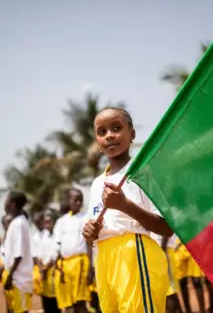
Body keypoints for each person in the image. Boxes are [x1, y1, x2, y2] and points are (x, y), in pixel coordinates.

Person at [83, 107, 173, 312]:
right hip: (104, 259)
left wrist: (125, 206)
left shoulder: (142, 174)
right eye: (102, 131)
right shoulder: (97, 183)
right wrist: (89, 232)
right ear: (97, 141)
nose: (110, 136)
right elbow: (91, 232)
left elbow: (167, 228)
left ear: (131, 134)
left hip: (134, 254)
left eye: (116, 128)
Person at [53, 188, 90, 313]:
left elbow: (89, 243)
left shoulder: (86, 217)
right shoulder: (61, 221)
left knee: (80, 302)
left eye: (81, 200)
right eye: (75, 200)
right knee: (67, 304)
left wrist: (91, 266)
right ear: (69, 201)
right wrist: (56, 266)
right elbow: (57, 246)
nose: (78, 203)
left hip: (79, 263)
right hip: (64, 265)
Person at [3, 191, 33, 313]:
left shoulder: (19, 224)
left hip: (19, 279)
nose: (4, 204)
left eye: (6, 201)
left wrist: (10, 276)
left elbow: (18, 254)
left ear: (13, 205)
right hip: (15, 277)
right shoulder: (15, 222)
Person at [37, 211, 60, 313]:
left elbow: (56, 252)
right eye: (46, 222)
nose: (48, 224)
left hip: (53, 270)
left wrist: (46, 268)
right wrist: (42, 268)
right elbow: (39, 254)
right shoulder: (43, 236)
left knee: (55, 302)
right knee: (45, 300)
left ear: (54, 222)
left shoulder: (57, 235)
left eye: (49, 222)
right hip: (43, 272)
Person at [152, 233, 182, 313]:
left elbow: (165, 234)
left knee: (169, 290)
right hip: (158, 250)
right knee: (165, 290)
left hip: (164, 250)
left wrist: (162, 250)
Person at [0, 214, 13, 313]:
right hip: (5, 274)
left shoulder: (14, 237)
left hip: (13, 274)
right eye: (6, 223)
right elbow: (2, 255)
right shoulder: (4, 238)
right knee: (9, 303)